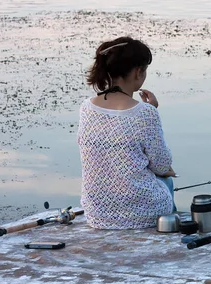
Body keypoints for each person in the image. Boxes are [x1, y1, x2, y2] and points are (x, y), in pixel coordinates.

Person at [76, 36, 177, 229]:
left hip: (97, 213)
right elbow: (162, 164)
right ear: (138, 72)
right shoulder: (145, 113)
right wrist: (153, 111)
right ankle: (169, 232)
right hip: (145, 213)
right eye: (145, 69)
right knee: (166, 181)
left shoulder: (86, 108)